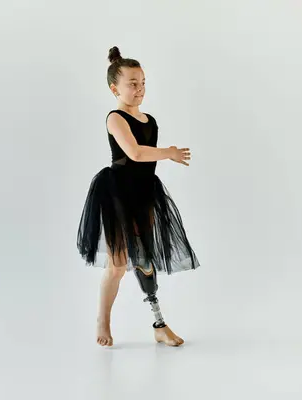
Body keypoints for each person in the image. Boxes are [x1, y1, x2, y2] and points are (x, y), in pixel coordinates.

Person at [76, 46, 201, 347]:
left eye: (143, 82)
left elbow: (145, 159)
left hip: (144, 194)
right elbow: (134, 152)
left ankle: (159, 324)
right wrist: (169, 153)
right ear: (114, 88)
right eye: (132, 83)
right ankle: (102, 320)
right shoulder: (115, 118)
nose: (139, 88)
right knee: (117, 265)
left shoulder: (151, 121)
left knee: (146, 259)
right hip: (117, 194)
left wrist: (165, 155)